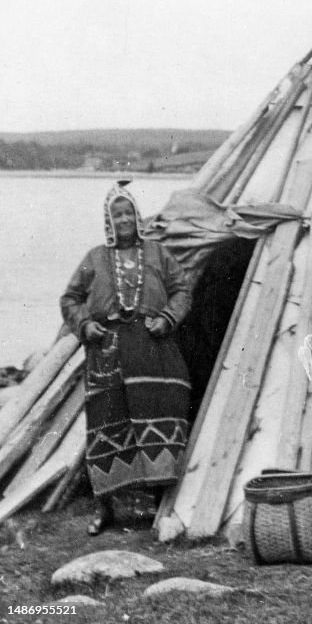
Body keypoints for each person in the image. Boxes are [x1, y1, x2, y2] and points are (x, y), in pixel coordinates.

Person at [60, 180, 192, 535]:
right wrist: (85, 325)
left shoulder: (158, 254)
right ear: (108, 220)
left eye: (128, 213)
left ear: (137, 217)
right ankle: (106, 509)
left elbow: (181, 290)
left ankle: (159, 502)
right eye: (116, 214)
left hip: (152, 347)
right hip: (109, 350)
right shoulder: (94, 258)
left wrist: (167, 318)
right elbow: (70, 299)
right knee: (106, 422)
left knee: (158, 414)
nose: (123, 220)